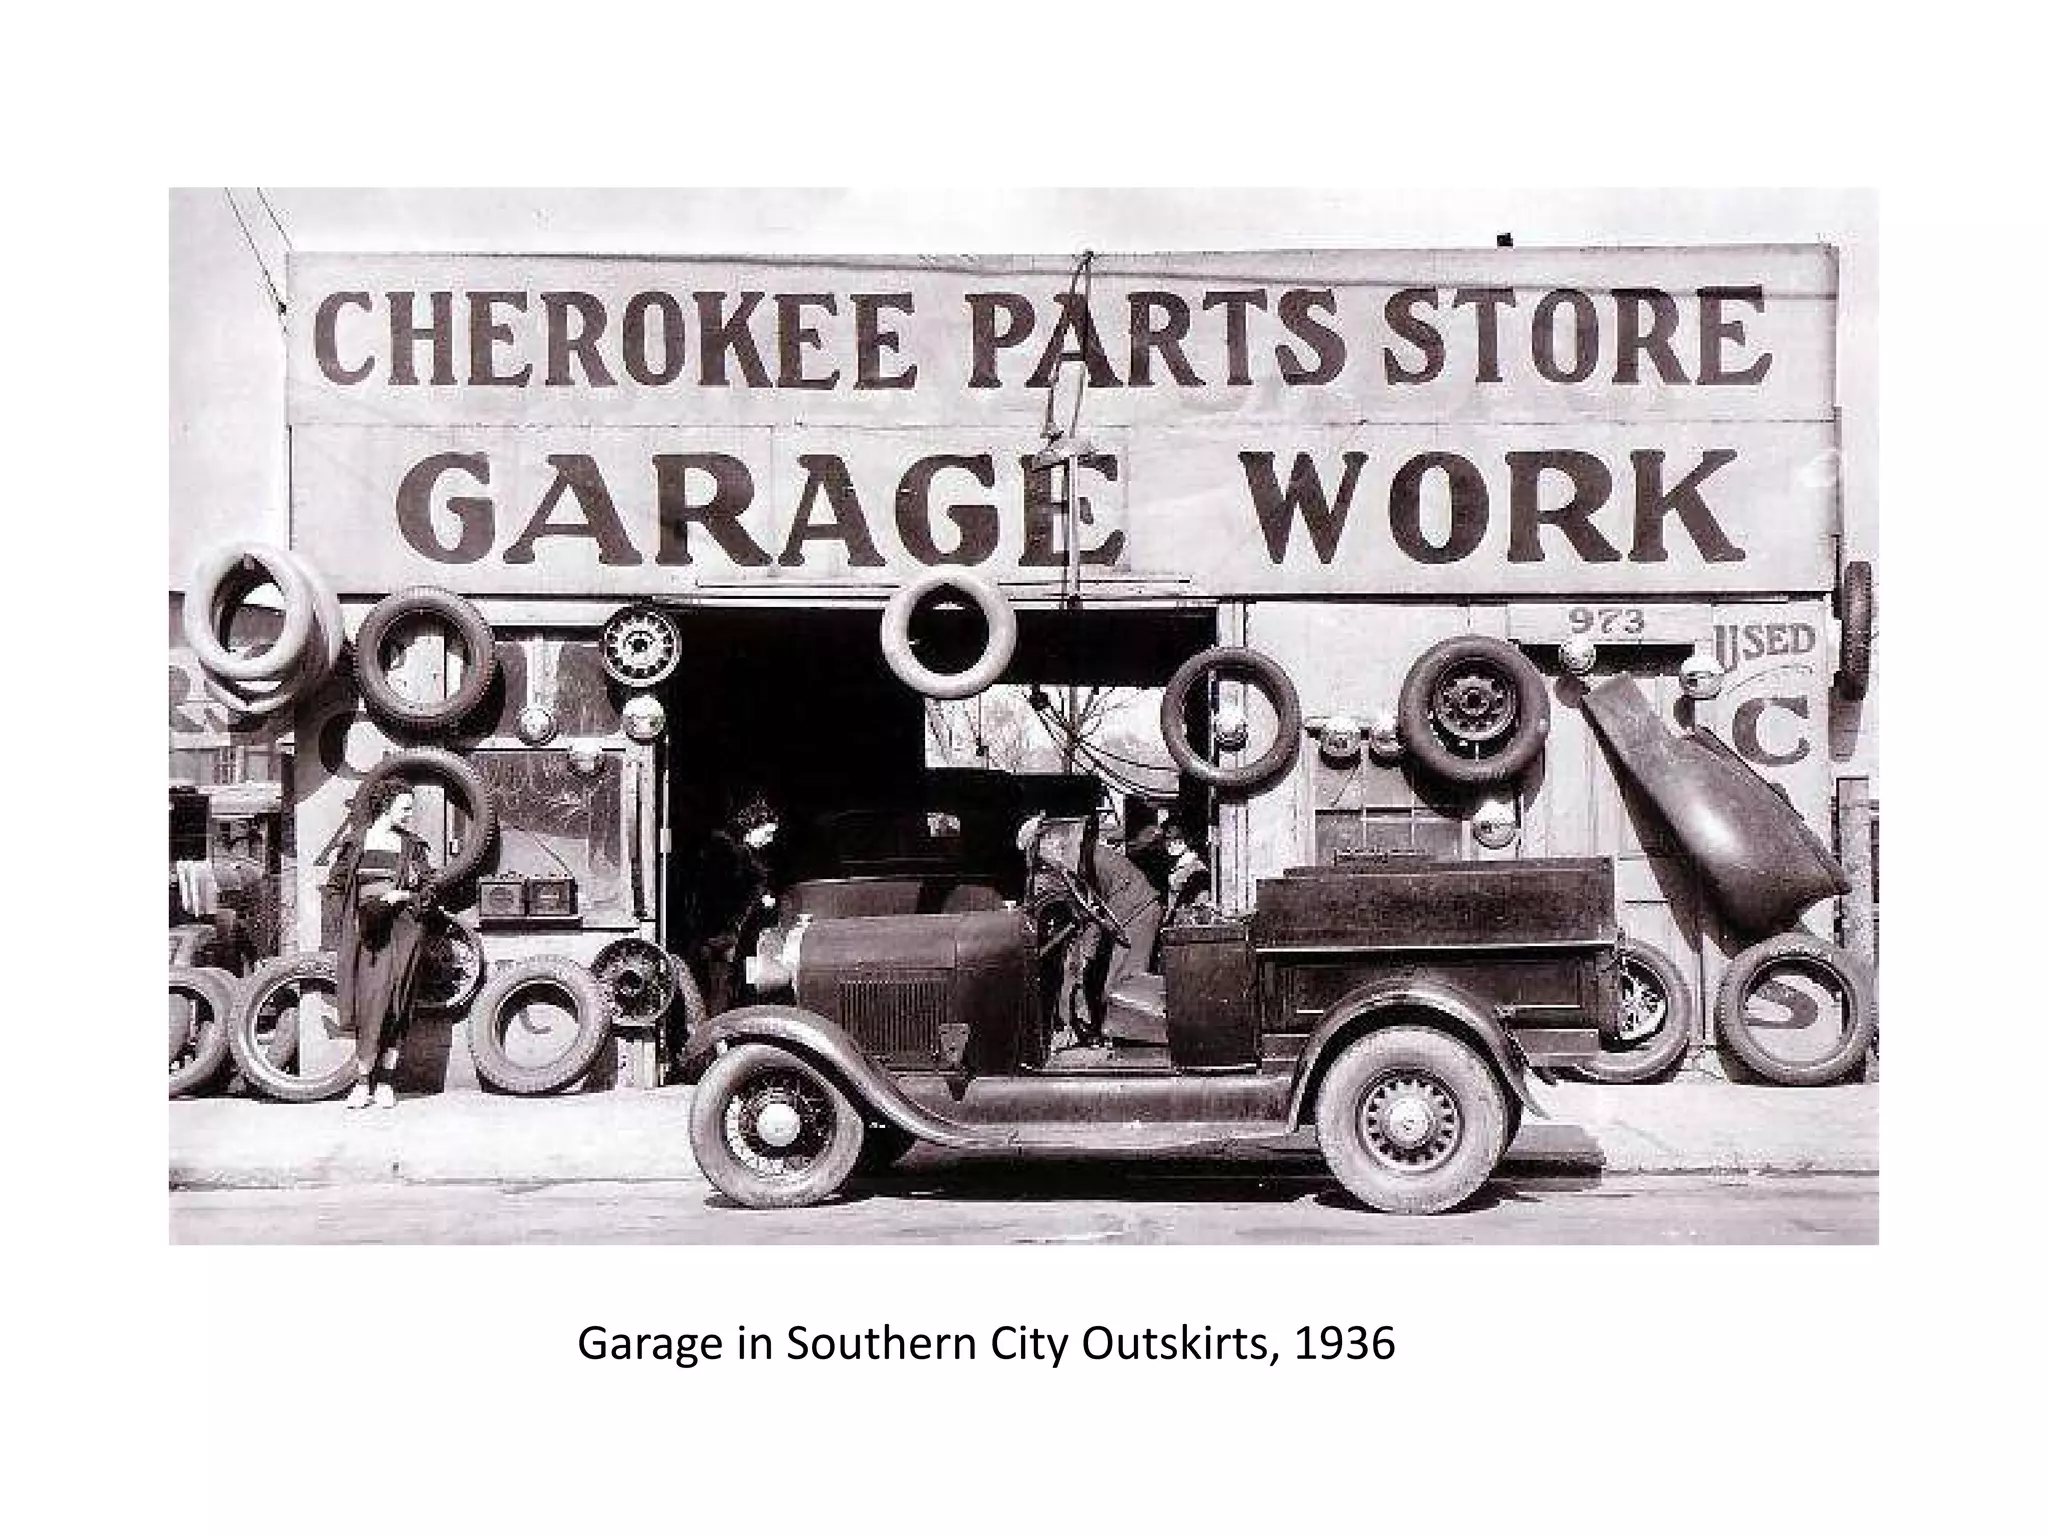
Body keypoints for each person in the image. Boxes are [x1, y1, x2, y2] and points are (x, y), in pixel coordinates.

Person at [325, 778, 436, 1109]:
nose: (409, 814)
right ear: (385, 806)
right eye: (405, 808)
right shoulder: (356, 843)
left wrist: (405, 898)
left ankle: (385, 1083)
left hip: (403, 932)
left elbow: (428, 889)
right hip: (367, 934)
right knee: (370, 1003)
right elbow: (335, 887)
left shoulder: (413, 846)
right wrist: (350, 922)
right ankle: (362, 1084)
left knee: (397, 1003)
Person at [688, 794, 781, 1015]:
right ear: (752, 826)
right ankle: (717, 1040)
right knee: (720, 990)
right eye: (767, 833)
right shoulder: (726, 853)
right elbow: (718, 896)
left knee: (729, 989)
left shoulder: (744, 853)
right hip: (720, 937)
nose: (769, 840)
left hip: (732, 935)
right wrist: (759, 899)